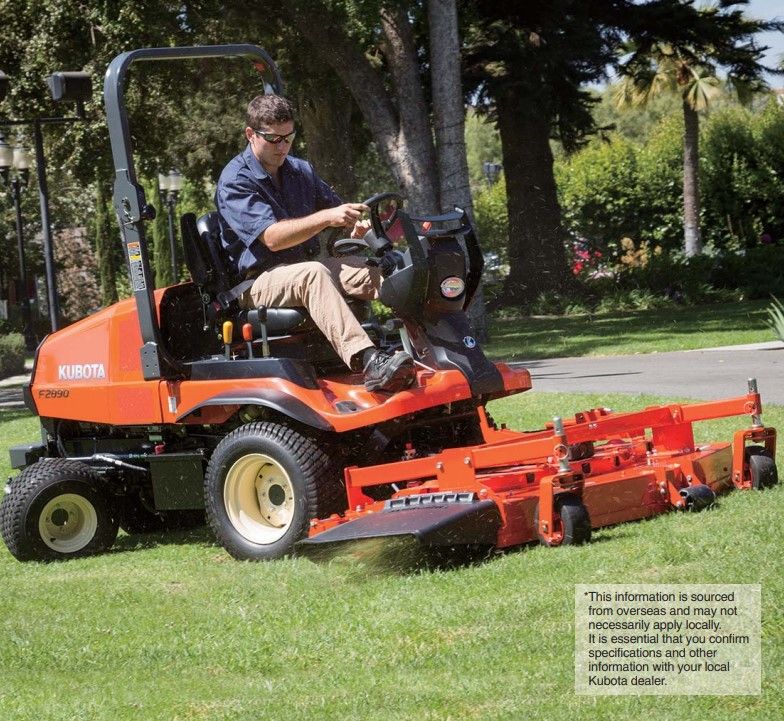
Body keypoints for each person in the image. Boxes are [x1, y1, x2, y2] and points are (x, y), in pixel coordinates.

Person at [214, 94, 415, 393]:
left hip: (302, 270)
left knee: (384, 268)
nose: (282, 146)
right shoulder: (235, 180)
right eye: (273, 139)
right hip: (257, 282)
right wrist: (326, 217)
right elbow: (272, 238)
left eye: (289, 137)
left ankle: (430, 351)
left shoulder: (300, 171)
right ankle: (370, 362)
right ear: (250, 134)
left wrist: (358, 225)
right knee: (313, 274)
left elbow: (340, 215)